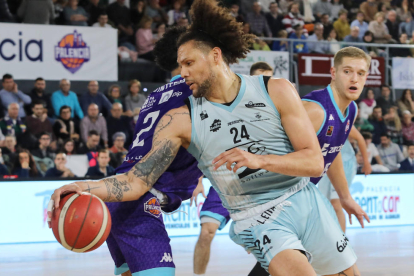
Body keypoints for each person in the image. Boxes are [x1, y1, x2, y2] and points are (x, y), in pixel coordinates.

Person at [49, 2, 367, 276]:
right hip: (248, 215)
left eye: (190, 63)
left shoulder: (274, 89)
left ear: (215, 56)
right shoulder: (180, 117)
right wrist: (83, 186)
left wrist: (258, 160)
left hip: (304, 202)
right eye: (181, 65)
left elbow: (316, 160)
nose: (184, 71)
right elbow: (135, 182)